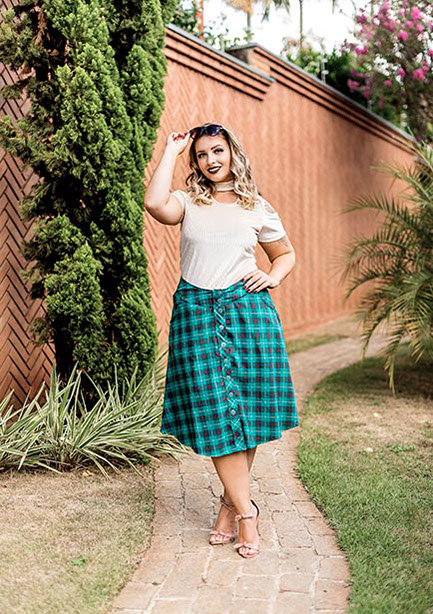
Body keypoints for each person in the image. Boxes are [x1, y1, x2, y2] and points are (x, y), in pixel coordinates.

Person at [144, 122, 299, 559]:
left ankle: (232, 508)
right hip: (196, 312)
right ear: (195, 162)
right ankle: (248, 511)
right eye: (202, 155)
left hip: (248, 311)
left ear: (232, 153)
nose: (211, 160)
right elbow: (154, 203)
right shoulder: (188, 201)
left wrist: (272, 276)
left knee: (245, 411)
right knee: (215, 412)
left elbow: (285, 254)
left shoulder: (257, 206)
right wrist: (171, 151)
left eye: (217, 151)